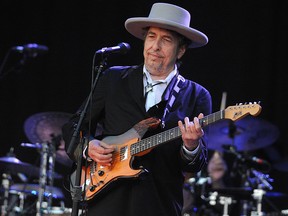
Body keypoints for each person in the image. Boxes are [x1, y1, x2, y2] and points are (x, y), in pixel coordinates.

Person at [62, 2, 212, 216]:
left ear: (181, 50)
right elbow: (74, 125)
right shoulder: (113, 78)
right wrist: (88, 147)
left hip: (159, 204)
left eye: (166, 40)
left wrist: (191, 145)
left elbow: (196, 164)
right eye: (151, 37)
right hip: (106, 201)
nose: (155, 47)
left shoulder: (197, 95)